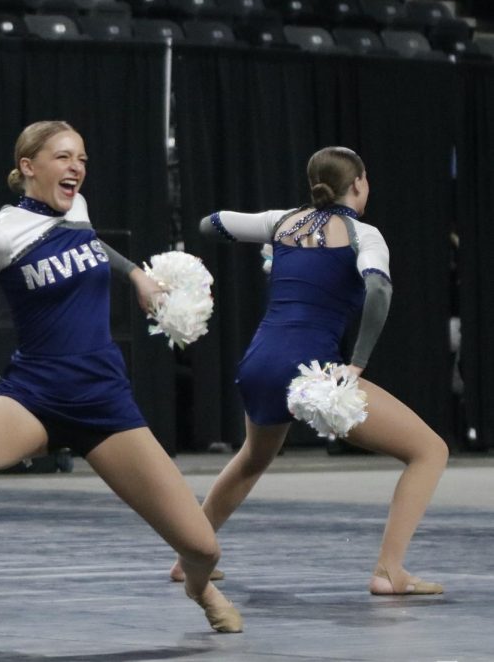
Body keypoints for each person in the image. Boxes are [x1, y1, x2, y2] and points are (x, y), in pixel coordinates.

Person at [0, 121, 242, 648]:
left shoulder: (78, 209)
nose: (77, 168)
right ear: (28, 167)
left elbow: (91, 245)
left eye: (82, 158)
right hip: (34, 395)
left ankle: (200, 590)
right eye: (64, 157)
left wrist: (134, 274)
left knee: (204, 549)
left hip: (104, 400)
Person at [169, 146, 449, 595]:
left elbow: (211, 224)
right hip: (309, 372)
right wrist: (358, 362)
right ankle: (389, 571)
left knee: (253, 458)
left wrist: (269, 241)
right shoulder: (364, 235)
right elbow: (378, 290)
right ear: (358, 183)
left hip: (260, 362)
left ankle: (189, 556)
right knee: (430, 451)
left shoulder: (282, 221)